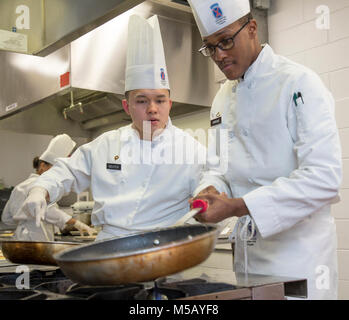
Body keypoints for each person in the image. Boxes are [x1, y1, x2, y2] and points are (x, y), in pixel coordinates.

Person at [187, 0, 342, 299]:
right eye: (210, 47)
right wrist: (209, 188)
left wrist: (238, 206)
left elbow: (323, 178)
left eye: (226, 41)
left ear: (252, 28)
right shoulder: (221, 98)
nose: (219, 55)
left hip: (300, 264)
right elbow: (218, 167)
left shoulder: (298, 83)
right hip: (249, 264)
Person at [19, 15, 206, 241]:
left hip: (166, 252)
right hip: (110, 250)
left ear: (170, 104)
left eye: (160, 100)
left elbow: (210, 193)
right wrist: (41, 190)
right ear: (126, 106)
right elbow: (66, 171)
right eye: (142, 101)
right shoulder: (106, 144)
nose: (152, 109)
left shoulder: (192, 151)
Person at [2, 134, 94, 241]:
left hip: (26, 237)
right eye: (55, 169)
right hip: (33, 239)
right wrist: (76, 223)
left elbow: (6, 218)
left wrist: (24, 221)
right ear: (42, 166)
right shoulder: (35, 187)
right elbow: (49, 212)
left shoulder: (21, 187)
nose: (58, 174)